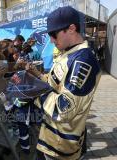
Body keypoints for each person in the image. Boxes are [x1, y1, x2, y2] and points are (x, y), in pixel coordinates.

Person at [26, 6, 101, 160]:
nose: (51, 40)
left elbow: (64, 109)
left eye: (54, 34)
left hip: (61, 146)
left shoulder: (83, 61)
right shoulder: (69, 53)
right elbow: (54, 83)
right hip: (51, 138)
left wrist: (33, 91)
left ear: (72, 29)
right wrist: (36, 77)